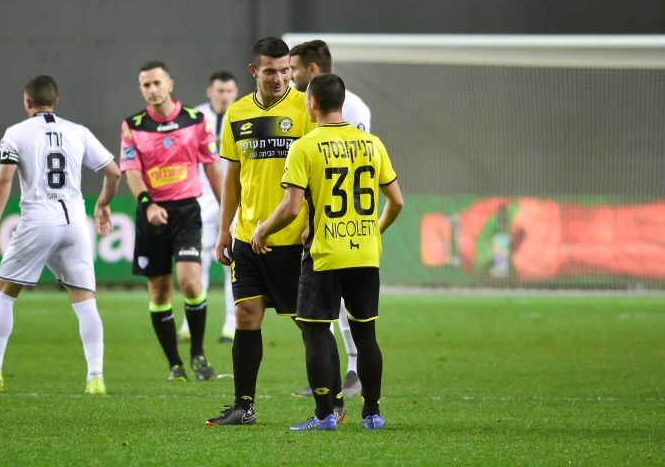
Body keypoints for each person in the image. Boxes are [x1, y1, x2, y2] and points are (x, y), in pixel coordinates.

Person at [251, 73, 403, 430]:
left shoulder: (305, 146)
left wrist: (262, 229)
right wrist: (373, 230)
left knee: (316, 330)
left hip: (325, 254)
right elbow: (396, 201)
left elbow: (291, 208)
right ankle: (372, 413)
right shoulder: (372, 143)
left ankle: (324, 415)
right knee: (365, 333)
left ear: (313, 103)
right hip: (364, 253)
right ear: (342, 101)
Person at [0, 75, 121, 395]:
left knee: (3, 293)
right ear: (56, 102)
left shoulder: (16, 133)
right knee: (85, 301)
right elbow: (114, 172)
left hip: (38, 220)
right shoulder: (78, 131)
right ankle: (96, 377)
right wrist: (103, 203)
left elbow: (4, 181)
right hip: (75, 222)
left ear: (27, 103)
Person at [204, 37, 318, 426]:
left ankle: (330, 403)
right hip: (248, 235)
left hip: (292, 237)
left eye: (285, 70)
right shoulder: (236, 113)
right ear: (254, 71)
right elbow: (232, 178)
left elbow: (318, 171)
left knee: (308, 322)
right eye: (270, 71)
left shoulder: (305, 107)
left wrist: (312, 221)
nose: (279, 78)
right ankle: (243, 406)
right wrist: (224, 230)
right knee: (246, 315)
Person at [119, 61, 222, 382]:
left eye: (157, 83)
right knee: (159, 292)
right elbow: (131, 171)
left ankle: (198, 354)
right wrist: (147, 204)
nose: (152, 89)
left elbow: (212, 168)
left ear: (170, 84)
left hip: (186, 211)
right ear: (141, 89)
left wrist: (229, 213)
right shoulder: (133, 125)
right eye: (146, 85)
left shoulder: (196, 120)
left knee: (190, 281)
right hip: (151, 214)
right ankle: (174, 364)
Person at [289, 39, 371, 397]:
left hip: (340, 223)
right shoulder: (305, 107)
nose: (289, 76)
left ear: (312, 70)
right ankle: (335, 379)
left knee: (343, 306)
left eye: (293, 69)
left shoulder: (352, 109)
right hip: (323, 221)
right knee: (327, 308)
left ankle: (353, 371)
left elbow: (349, 169)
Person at [421, 197, 665, 281]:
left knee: (616, 253)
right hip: (549, 233)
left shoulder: (472, 259)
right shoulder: (473, 218)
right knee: (619, 232)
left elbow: (503, 269)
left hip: (550, 249)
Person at [177, 71, 239, 344]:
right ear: (209, 92)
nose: (224, 96)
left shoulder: (243, 116)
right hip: (202, 200)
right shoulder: (195, 118)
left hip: (234, 201)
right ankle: (190, 323)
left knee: (232, 264)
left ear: (235, 93)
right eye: (219, 91)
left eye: (229, 91)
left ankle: (231, 324)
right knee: (196, 262)